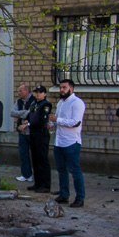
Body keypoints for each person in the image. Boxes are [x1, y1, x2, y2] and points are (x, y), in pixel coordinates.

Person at [50, 79, 85, 208]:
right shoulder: (60, 102)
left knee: (75, 170)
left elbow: (75, 122)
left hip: (71, 142)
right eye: (60, 88)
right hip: (59, 141)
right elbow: (57, 121)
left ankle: (80, 197)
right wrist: (52, 124)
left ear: (71, 88)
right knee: (61, 170)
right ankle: (64, 194)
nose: (61, 90)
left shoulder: (77, 103)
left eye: (64, 88)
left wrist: (57, 120)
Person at [20, 85, 51, 193]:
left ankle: (46, 185)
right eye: (36, 92)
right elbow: (30, 116)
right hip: (33, 134)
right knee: (35, 160)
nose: (38, 94)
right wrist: (26, 122)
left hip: (41, 135)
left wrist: (28, 124)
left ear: (45, 94)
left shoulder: (46, 104)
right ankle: (38, 183)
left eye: (40, 92)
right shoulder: (34, 103)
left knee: (42, 160)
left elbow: (41, 120)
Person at [10, 83, 36, 182]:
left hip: (32, 132)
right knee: (23, 154)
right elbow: (12, 112)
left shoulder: (33, 100)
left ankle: (36, 175)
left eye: (20, 91)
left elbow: (32, 113)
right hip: (22, 131)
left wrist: (23, 114)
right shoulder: (19, 101)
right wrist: (24, 113)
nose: (19, 93)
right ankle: (26, 174)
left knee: (34, 154)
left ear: (26, 91)